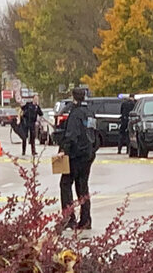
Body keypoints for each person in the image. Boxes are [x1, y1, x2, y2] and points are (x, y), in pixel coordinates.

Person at [59, 88, 96, 230]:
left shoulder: (75, 114)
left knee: (65, 184)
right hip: (88, 154)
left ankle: (69, 218)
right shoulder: (90, 113)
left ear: (73, 97)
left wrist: (64, 151)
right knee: (82, 186)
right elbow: (94, 133)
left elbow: (71, 136)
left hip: (75, 155)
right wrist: (92, 149)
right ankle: (86, 220)